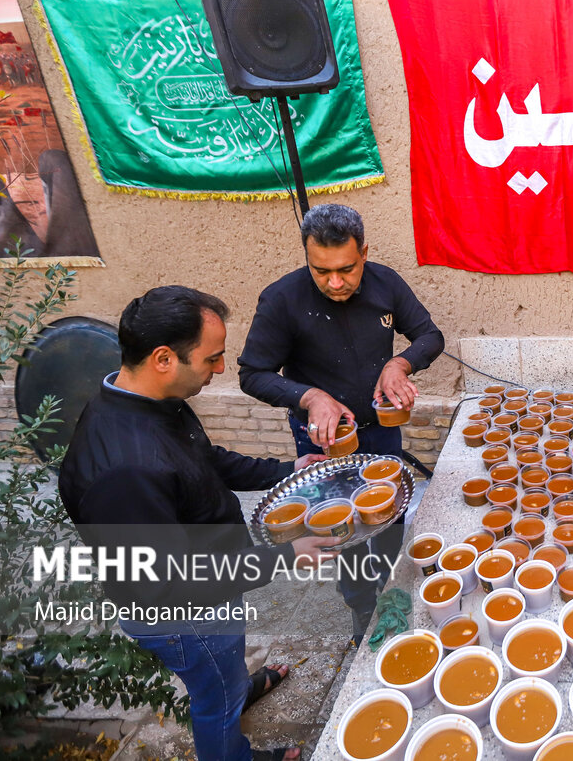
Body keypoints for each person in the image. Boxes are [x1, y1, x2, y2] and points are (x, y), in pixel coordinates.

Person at [59, 286, 341, 761]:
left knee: (226, 666)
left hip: (209, 588)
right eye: (212, 359)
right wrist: (287, 555)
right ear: (164, 358)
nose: (222, 369)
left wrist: (289, 471)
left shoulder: (145, 397)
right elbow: (169, 585)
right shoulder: (126, 471)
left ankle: (235, 682)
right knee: (217, 702)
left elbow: (204, 461)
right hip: (184, 614)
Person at [238, 203, 444, 639]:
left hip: (380, 427)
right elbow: (251, 374)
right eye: (321, 271)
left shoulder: (386, 283)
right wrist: (310, 396)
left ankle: (390, 588)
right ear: (307, 258)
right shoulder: (282, 299)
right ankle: (359, 605)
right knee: (340, 526)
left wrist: (401, 364)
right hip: (324, 438)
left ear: (364, 252)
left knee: (388, 516)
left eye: (347, 269)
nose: (335, 282)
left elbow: (430, 335)